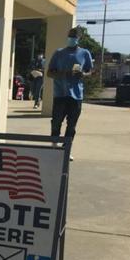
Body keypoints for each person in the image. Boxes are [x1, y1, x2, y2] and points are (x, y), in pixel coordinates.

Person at [47, 27, 93, 160]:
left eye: (74, 36)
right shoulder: (59, 53)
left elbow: (90, 71)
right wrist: (63, 73)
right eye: (70, 36)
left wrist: (83, 74)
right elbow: (49, 73)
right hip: (60, 93)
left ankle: (66, 149)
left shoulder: (85, 53)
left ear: (79, 38)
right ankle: (54, 146)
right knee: (56, 121)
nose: (71, 38)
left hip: (76, 95)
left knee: (72, 124)